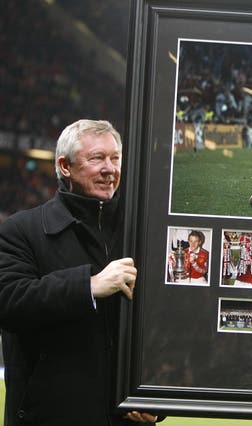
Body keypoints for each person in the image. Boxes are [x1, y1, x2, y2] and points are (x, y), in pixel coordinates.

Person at [0, 120, 160, 425]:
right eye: (97, 158)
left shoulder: (141, 233)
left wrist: (156, 399)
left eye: (115, 158)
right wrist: (89, 286)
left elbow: (163, 326)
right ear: (65, 166)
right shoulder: (22, 230)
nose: (109, 169)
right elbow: (8, 301)